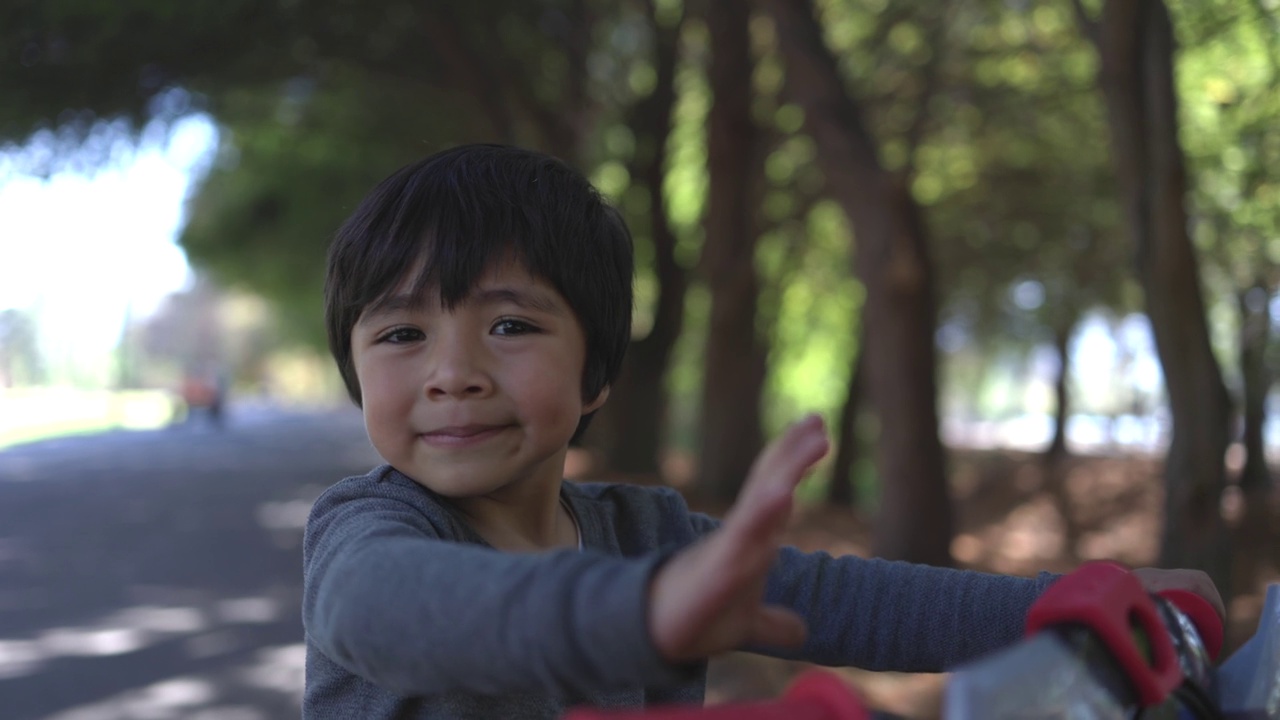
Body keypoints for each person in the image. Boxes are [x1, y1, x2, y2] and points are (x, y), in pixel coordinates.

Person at [302, 144, 1224, 719]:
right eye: (401, 334)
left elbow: (850, 603)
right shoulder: (368, 533)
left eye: (510, 326)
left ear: (599, 375)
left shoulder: (648, 536)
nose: (453, 371)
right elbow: (394, 609)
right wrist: (648, 613)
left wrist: (1074, 604)